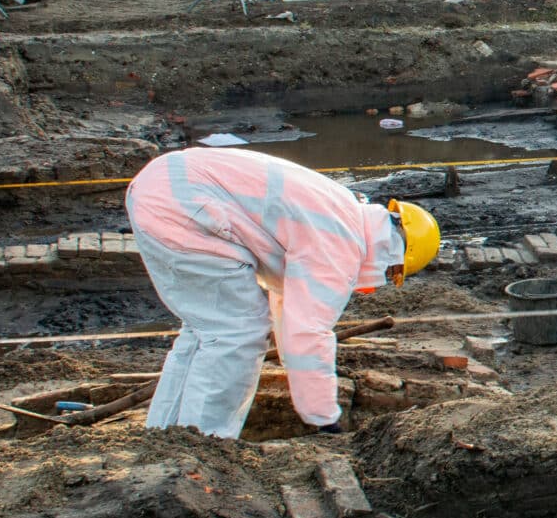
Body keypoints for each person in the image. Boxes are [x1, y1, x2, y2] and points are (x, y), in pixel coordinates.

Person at [123, 146, 441, 439]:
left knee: (204, 330)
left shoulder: (341, 211)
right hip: (184, 206)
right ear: (395, 256)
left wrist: (298, 371)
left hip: (163, 189)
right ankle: (203, 445)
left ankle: (162, 439)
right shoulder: (339, 245)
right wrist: (324, 418)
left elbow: (289, 309)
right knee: (237, 332)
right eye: (392, 272)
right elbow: (308, 332)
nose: (382, 281)